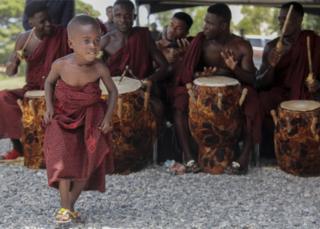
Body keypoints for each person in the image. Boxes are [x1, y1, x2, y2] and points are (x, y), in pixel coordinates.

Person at [43, 14, 118, 223]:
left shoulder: (100, 67)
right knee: (62, 161)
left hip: (91, 118)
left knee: (88, 163)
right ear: (71, 43)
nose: (93, 46)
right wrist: (49, 107)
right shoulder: (60, 65)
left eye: (97, 40)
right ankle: (65, 209)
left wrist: (108, 117)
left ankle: (68, 208)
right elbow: (48, 83)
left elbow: (113, 92)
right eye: (86, 41)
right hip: (61, 117)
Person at [172, 3, 261, 174]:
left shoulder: (241, 46)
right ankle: (190, 157)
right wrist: (199, 74)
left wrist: (235, 69)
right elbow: (189, 74)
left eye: (209, 23)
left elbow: (252, 79)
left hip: (234, 93)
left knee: (253, 103)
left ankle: (243, 157)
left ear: (223, 25)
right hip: (203, 94)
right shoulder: (201, 43)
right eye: (205, 21)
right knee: (179, 103)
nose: (204, 26)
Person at [0, 1, 71, 160]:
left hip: (57, 87)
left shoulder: (62, 34)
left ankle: (60, 149)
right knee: (3, 97)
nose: (48, 24)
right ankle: (20, 147)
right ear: (30, 22)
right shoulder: (24, 40)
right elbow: (12, 71)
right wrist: (12, 64)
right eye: (42, 22)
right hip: (32, 88)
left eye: (48, 19)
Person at [257, 1, 320, 156]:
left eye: (287, 19)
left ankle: (310, 155)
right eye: (280, 19)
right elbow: (259, 82)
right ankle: (271, 153)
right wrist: (271, 66)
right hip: (280, 94)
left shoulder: (313, 42)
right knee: (261, 101)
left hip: (307, 93)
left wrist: (317, 84)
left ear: (299, 20)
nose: (281, 23)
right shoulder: (272, 47)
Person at [100, 0, 168, 122]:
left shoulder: (144, 36)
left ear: (134, 17)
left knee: (158, 107)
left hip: (140, 89)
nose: (122, 20)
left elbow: (164, 66)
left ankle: (155, 139)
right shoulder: (105, 41)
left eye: (127, 16)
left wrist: (148, 81)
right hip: (114, 92)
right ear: (112, 17)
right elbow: (90, 68)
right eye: (118, 15)